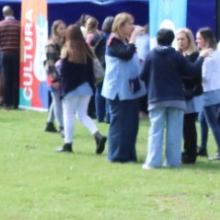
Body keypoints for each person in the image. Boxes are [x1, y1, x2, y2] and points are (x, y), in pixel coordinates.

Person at [140, 28, 204, 169]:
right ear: (172, 40)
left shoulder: (151, 55)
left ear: (157, 39)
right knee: (174, 131)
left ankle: (153, 162)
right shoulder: (177, 56)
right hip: (176, 98)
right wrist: (201, 58)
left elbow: (142, 75)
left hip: (156, 97)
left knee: (156, 131)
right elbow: (192, 70)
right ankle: (173, 162)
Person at [102, 13, 147, 163]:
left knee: (131, 125)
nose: (132, 28)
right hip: (118, 91)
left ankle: (128, 154)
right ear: (121, 26)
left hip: (130, 89)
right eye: (129, 25)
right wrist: (134, 37)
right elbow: (126, 55)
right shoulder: (112, 41)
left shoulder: (125, 41)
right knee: (119, 124)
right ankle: (116, 155)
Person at [55, 24, 107, 154]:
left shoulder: (67, 50)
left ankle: (68, 144)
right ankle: (97, 135)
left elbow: (63, 72)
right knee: (82, 114)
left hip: (71, 87)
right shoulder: (87, 50)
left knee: (68, 114)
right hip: (87, 87)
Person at [196, 27, 220, 161]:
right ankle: (203, 148)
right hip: (216, 90)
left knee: (212, 123)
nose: (196, 41)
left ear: (206, 40)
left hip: (208, 92)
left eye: (199, 38)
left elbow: (204, 76)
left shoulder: (208, 56)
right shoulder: (216, 52)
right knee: (202, 120)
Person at [176, 28, 204, 164]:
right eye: (178, 39)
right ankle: (187, 151)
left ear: (189, 40)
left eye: (183, 39)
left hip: (191, 94)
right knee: (185, 125)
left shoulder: (193, 55)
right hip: (183, 93)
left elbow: (194, 75)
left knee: (189, 125)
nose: (180, 42)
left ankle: (190, 153)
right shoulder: (179, 54)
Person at [0, 5, 21, 109]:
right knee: (15, 78)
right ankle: (15, 103)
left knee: (6, 78)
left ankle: (7, 102)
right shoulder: (19, 25)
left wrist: (3, 44)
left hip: (4, 53)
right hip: (16, 53)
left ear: (3, 14)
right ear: (12, 12)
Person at [44, 20, 67, 134]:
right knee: (57, 100)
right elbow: (50, 63)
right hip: (53, 75)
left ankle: (49, 123)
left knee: (56, 99)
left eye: (64, 28)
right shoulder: (51, 44)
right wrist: (54, 79)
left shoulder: (65, 42)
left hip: (62, 75)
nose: (63, 30)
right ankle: (62, 126)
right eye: (60, 29)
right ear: (55, 30)